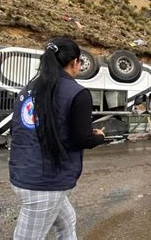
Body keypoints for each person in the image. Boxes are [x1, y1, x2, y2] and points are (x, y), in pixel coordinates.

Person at [9, 38, 105, 239]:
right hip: (46, 182)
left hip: (22, 171)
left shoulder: (29, 88)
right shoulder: (77, 92)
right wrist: (98, 136)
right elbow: (82, 139)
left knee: (66, 222)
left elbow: (21, 128)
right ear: (75, 62)